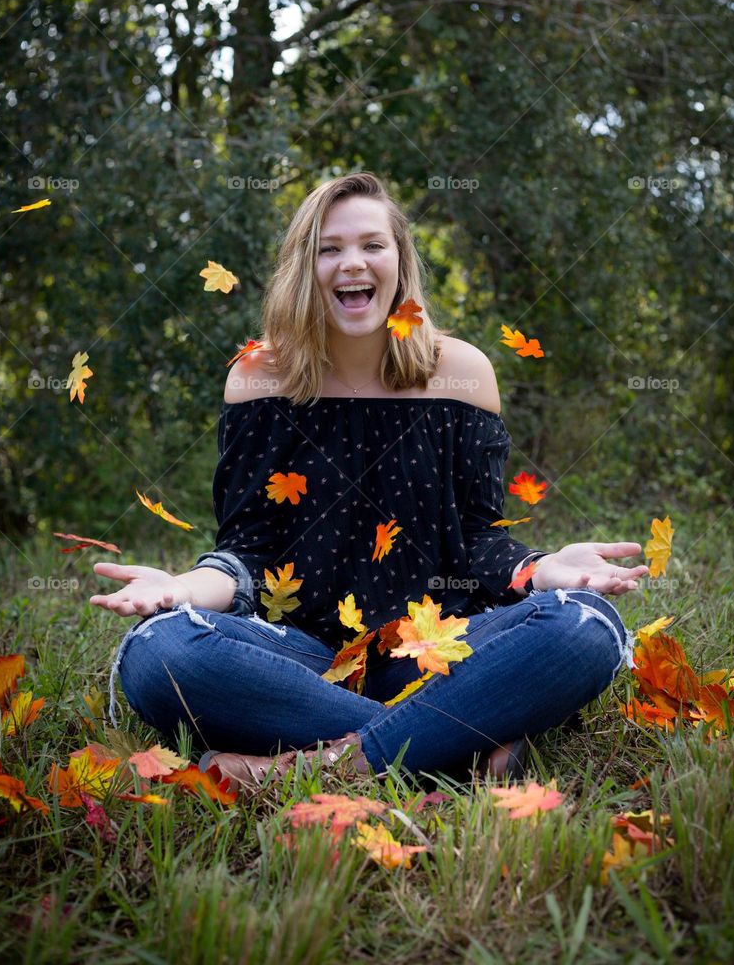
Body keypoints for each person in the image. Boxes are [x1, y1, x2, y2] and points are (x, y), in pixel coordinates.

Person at [92, 171, 648, 791]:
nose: (351, 263)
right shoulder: (259, 377)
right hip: (300, 656)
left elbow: (480, 542)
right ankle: (459, 749)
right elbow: (246, 549)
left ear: (399, 262)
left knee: (586, 626)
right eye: (329, 249)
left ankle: (332, 765)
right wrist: (184, 588)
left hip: (438, 648)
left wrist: (547, 569)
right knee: (157, 652)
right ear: (305, 267)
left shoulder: (460, 372)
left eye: (371, 245)